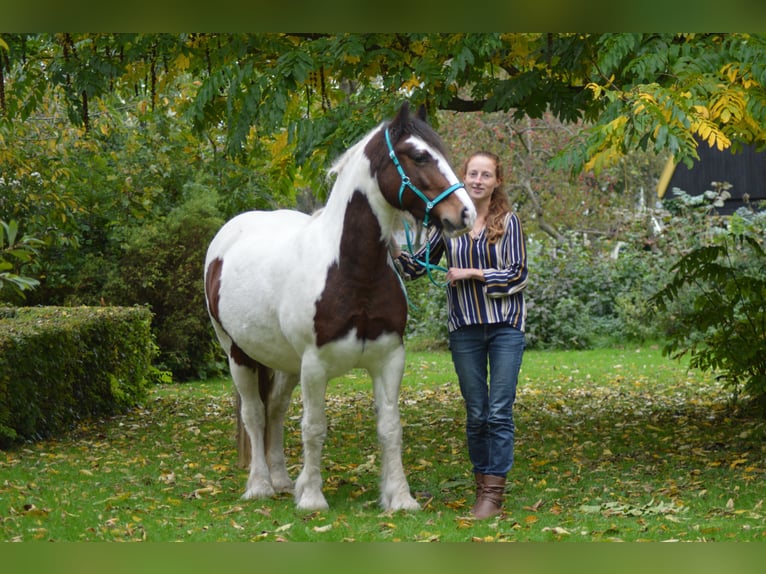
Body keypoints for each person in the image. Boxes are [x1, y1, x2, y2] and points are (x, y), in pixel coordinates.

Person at [393, 151, 527, 520]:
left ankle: (492, 496)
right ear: (463, 178)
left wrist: (471, 273)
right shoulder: (451, 223)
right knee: (477, 413)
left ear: (497, 181)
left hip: (504, 327)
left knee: (499, 412)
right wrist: (392, 250)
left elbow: (517, 275)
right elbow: (420, 266)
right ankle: (482, 486)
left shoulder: (509, 222)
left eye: (486, 175)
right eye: (473, 173)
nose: (478, 180)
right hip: (464, 327)